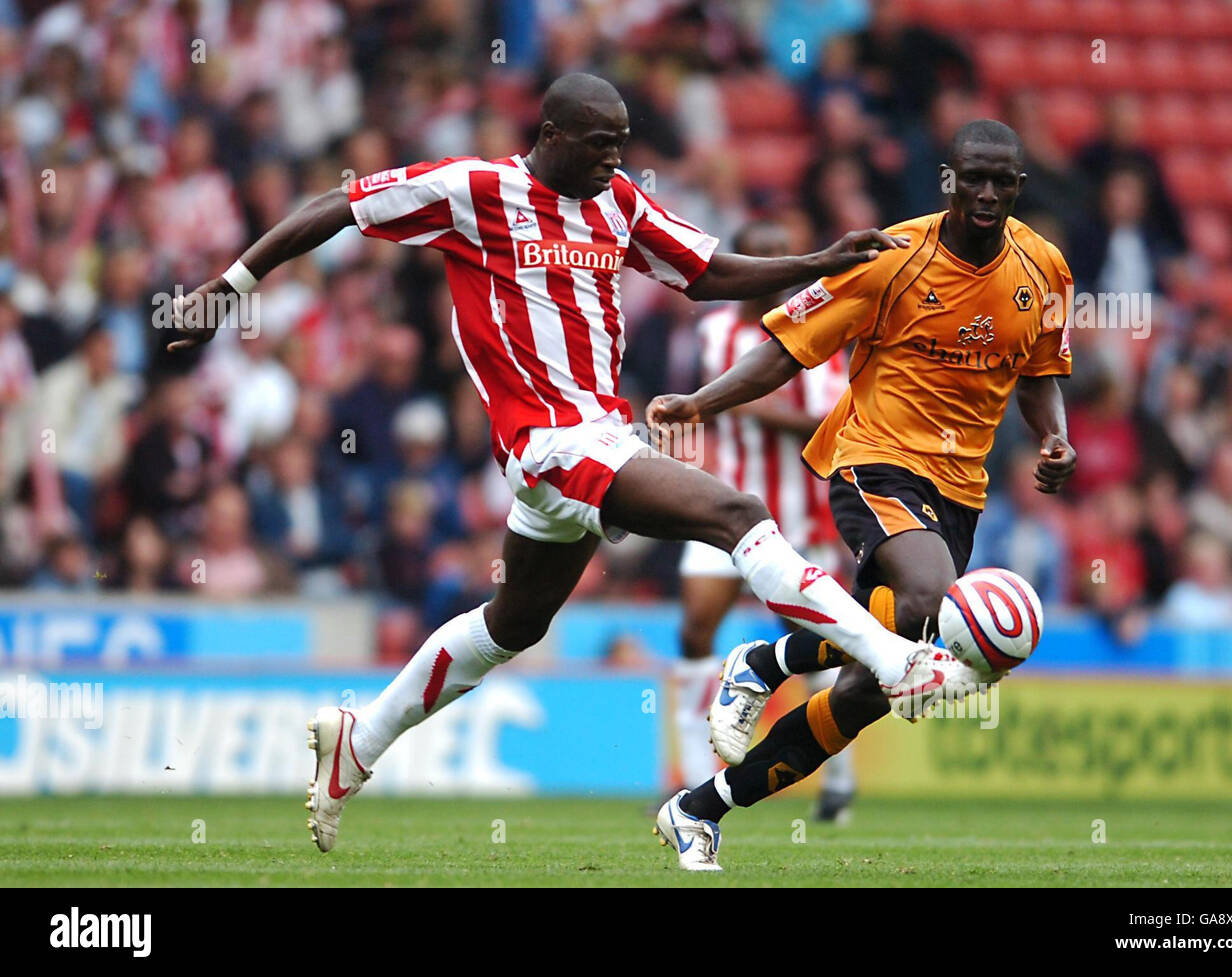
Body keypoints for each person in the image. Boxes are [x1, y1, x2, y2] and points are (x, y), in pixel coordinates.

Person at [168, 73, 976, 863]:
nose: (612, 160)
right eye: (598, 144)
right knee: (735, 515)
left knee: (513, 624)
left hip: (594, 435)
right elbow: (336, 206)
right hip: (549, 441)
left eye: (620, 146)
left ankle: (359, 738)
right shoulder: (473, 189)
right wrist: (228, 287)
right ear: (550, 134)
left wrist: (819, 262)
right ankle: (889, 656)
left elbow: (705, 274)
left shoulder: (617, 201)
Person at [647, 119, 1077, 868]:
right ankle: (774, 660)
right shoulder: (891, 259)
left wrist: (1053, 436)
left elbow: (1040, 372)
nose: (984, 192)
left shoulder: (1045, 270)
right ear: (948, 177)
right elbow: (787, 348)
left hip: (960, 492)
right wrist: (699, 404)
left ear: (1018, 187)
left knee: (864, 693)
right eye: (970, 177)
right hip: (874, 462)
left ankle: (701, 804)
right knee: (930, 605)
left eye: (1000, 181)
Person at [674, 217, 856, 821]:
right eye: (766, 255)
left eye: (784, 252)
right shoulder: (715, 333)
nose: (778, 265)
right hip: (722, 506)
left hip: (800, 516)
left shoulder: (817, 328)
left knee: (820, 644)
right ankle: (690, 775)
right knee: (696, 629)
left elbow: (832, 423)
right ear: (746, 263)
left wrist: (754, 403)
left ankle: (838, 783)